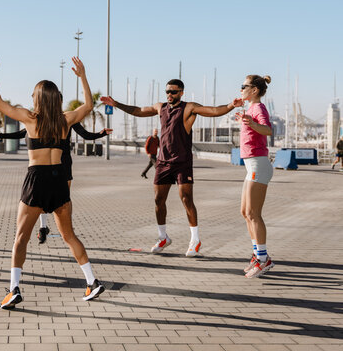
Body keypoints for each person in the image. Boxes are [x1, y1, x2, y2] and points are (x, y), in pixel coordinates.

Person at [0, 50, 105, 308]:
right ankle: (92, 282)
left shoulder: (29, 118)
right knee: (69, 235)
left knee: (20, 238)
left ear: (38, 98)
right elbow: (89, 106)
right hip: (59, 179)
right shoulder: (65, 120)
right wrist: (83, 77)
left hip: (36, 179)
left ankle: (14, 289)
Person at [101, 79, 242, 257]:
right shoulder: (161, 108)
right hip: (162, 162)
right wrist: (116, 104)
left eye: (173, 92)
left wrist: (231, 105)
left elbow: (213, 111)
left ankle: (195, 240)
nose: (169, 95)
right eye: (167, 91)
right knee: (158, 201)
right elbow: (138, 111)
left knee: (186, 199)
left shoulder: (189, 107)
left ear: (181, 93)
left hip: (182, 162)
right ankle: (163, 237)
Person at [0, 121, 112, 244]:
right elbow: (85, 135)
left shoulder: (48, 118)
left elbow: (23, 133)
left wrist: (100, 134)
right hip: (58, 162)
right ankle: (53, 228)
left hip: (54, 163)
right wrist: (0, 135)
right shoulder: (63, 118)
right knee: (62, 198)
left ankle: (50, 227)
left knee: (54, 196)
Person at [236, 75, 274, 278]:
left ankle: (263, 259)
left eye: (244, 86)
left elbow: (268, 130)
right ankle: (257, 255)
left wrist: (251, 122)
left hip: (259, 164)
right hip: (251, 164)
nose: (240, 88)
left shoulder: (258, 108)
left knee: (253, 213)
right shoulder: (250, 108)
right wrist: (246, 121)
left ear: (255, 90)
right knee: (245, 212)